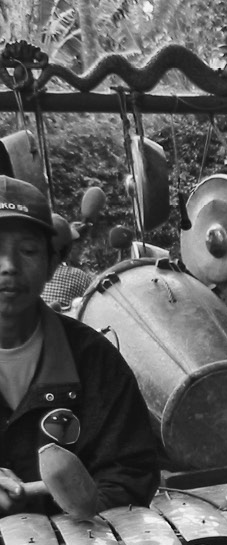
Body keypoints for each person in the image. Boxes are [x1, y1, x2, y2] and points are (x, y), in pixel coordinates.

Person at [0, 177, 159, 512]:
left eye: (27, 251)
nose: (9, 267)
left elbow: (132, 475)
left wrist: (81, 504)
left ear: (51, 266)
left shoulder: (93, 359)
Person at [40, 215, 93, 311]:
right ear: (67, 250)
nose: (81, 249)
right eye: (75, 245)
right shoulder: (78, 276)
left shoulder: (29, 275)